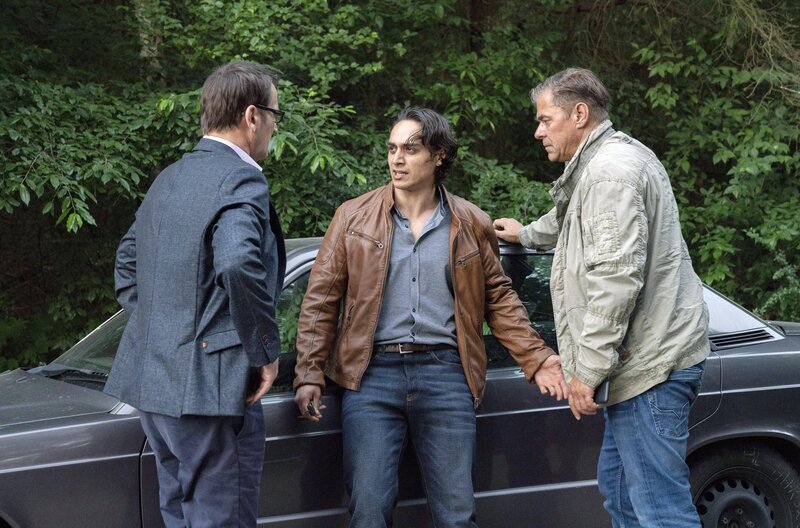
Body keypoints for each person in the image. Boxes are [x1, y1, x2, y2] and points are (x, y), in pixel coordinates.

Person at [292, 107, 567, 528]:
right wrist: (309, 372)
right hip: (371, 376)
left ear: (439, 155)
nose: (397, 159)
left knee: (456, 514)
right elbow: (320, 300)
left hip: (446, 375)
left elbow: (498, 297)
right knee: (368, 509)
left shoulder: (470, 221)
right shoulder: (353, 217)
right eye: (392, 149)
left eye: (410, 149)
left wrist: (537, 356)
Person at [494, 68, 710, 527]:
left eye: (545, 120)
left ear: (579, 113)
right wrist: (526, 234)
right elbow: (574, 217)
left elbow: (616, 278)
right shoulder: (610, 160)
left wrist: (586, 373)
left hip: (649, 370)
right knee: (622, 496)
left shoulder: (608, 174)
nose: (538, 132)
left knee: (660, 512)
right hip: (643, 366)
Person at [105, 61, 286, 528]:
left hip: (154, 386)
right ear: (252, 116)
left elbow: (126, 264)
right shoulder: (241, 178)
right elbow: (237, 262)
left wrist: (165, 331)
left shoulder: (169, 177)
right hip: (212, 395)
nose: (274, 127)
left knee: (179, 515)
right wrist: (264, 350)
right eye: (274, 115)